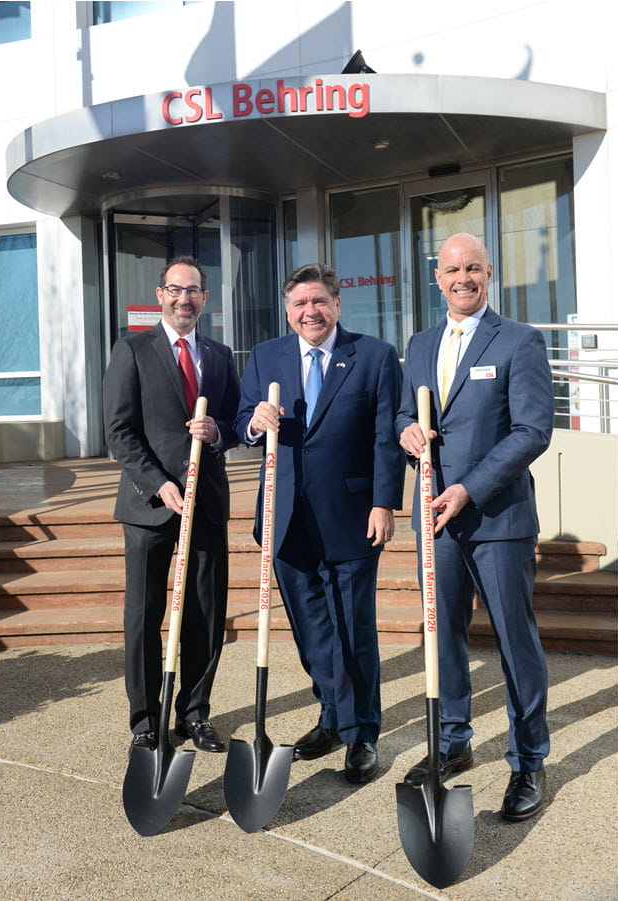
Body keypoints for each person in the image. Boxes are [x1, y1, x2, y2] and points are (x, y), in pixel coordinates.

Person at [395, 232, 555, 821]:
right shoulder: (419, 343)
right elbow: (404, 412)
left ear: (490, 274)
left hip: (496, 518)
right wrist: (405, 430)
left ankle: (529, 759)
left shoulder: (519, 340)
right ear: (437, 278)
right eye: (452, 270)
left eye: (473, 269)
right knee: (445, 636)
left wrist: (470, 488)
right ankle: (453, 742)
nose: (463, 278)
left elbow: (533, 430)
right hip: (435, 518)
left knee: (515, 642)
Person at [235, 262, 404, 784]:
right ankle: (332, 716)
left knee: (353, 632)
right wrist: (252, 423)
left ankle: (361, 734)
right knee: (312, 634)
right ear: (288, 312)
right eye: (299, 305)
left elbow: (384, 436)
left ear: (336, 304)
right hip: (285, 522)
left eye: (319, 302)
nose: (310, 312)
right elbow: (242, 420)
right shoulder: (266, 357)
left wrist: (384, 503)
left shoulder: (372, 356)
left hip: (352, 518)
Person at [103, 256, 241, 754]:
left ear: (205, 299)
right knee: (144, 613)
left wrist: (219, 432)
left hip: (205, 505)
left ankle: (195, 712)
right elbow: (119, 432)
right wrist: (159, 484)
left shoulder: (221, 356)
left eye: (195, 291)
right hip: (149, 506)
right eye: (176, 290)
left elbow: (233, 423)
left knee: (206, 613)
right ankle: (145, 718)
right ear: (161, 294)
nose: (185, 299)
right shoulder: (132, 350)